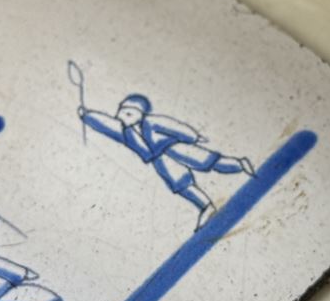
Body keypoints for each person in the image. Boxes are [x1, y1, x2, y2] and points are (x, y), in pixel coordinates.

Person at [80, 93, 255, 228]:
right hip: (161, 160)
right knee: (181, 185)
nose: (120, 116)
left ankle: (239, 165)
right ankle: (206, 206)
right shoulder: (126, 133)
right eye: (120, 111)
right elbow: (105, 124)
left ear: (140, 113)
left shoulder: (152, 122)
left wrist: (193, 136)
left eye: (127, 112)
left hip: (175, 148)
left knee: (209, 162)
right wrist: (86, 116)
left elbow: (174, 127)